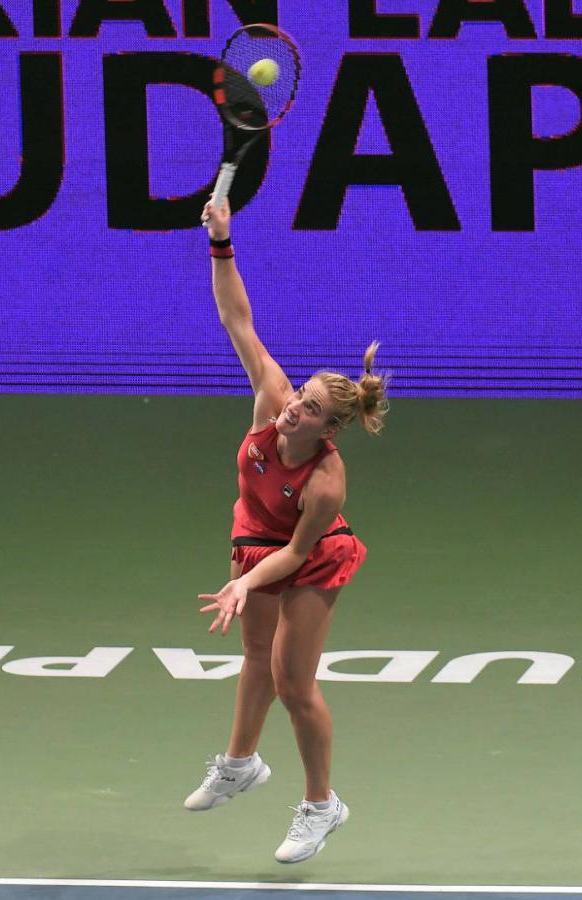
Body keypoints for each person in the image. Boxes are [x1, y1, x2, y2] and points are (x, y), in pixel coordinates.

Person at [187, 199, 389, 864]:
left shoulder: (326, 482)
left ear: (330, 430)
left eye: (308, 409)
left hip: (308, 558)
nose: (293, 408)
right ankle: (240, 764)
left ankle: (322, 805)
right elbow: (236, 318)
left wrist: (245, 583)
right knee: (255, 656)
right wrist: (222, 242)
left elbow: (300, 552)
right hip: (255, 536)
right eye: (300, 395)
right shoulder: (272, 399)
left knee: (293, 681)